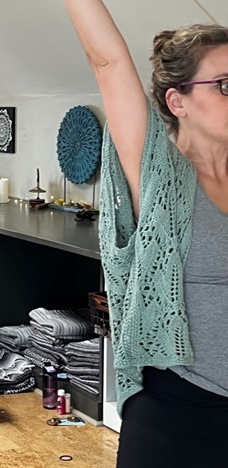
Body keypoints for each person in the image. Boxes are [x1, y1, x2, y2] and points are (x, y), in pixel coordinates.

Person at [64, 1, 228, 467]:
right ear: (178, 101)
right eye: (224, 86)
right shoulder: (158, 172)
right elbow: (108, 61)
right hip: (178, 411)